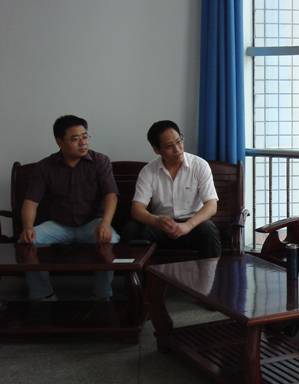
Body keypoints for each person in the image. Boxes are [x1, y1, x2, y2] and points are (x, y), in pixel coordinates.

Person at [19, 115, 120, 300]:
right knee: (28, 240)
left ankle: (102, 294)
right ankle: (43, 295)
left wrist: (105, 223)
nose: (83, 142)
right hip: (59, 225)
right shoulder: (45, 166)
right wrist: (27, 227)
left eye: (85, 136)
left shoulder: (100, 161)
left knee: (110, 237)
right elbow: (31, 202)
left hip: (92, 224)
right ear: (59, 141)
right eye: (75, 139)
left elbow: (111, 196)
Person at [122, 120, 221, 258]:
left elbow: (211, 205)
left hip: (192, 225)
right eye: (169, 146)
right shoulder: (148, 171)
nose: (177, 149)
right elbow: (137, 209)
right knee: (131, 229)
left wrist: (187, 225)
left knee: (208, 229)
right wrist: (156, 221)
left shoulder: (199, 166)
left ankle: (212, 272)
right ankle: (135, 272)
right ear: (157, 150)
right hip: (162, 225)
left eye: (179, 141)